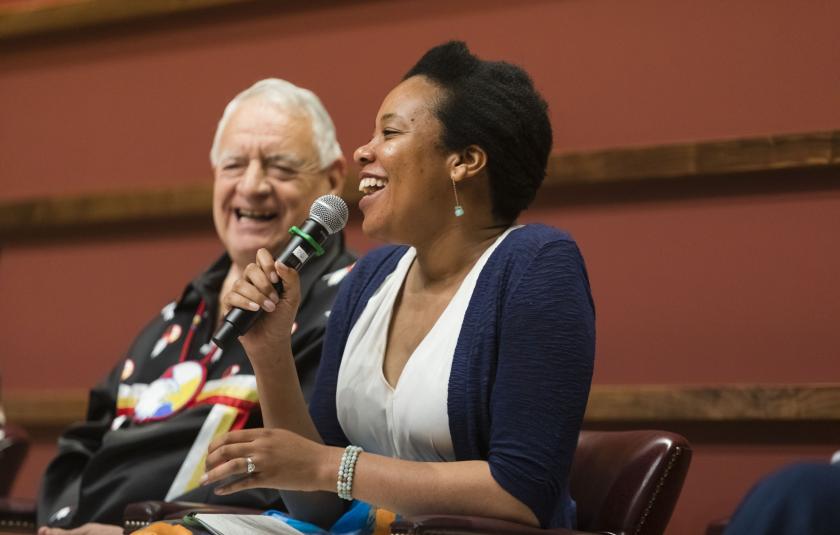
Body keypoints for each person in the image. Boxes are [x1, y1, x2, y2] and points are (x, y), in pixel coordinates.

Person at [202, 41, 595, 531]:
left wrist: (330, 467)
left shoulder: (536, 266)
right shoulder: (370, 278)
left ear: (464, 161)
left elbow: (522, 493)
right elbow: (318, 507)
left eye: (389, 132)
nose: (363, 150)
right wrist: (270, 352)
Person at [37, 79, 356, 535]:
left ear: (331, 178)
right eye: (233, 165)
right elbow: (84, 443)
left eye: (281, 168)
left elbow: (305, 484)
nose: (252, 185)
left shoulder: (348, 306)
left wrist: (139, 533)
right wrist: (67, 524)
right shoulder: (177, 315)